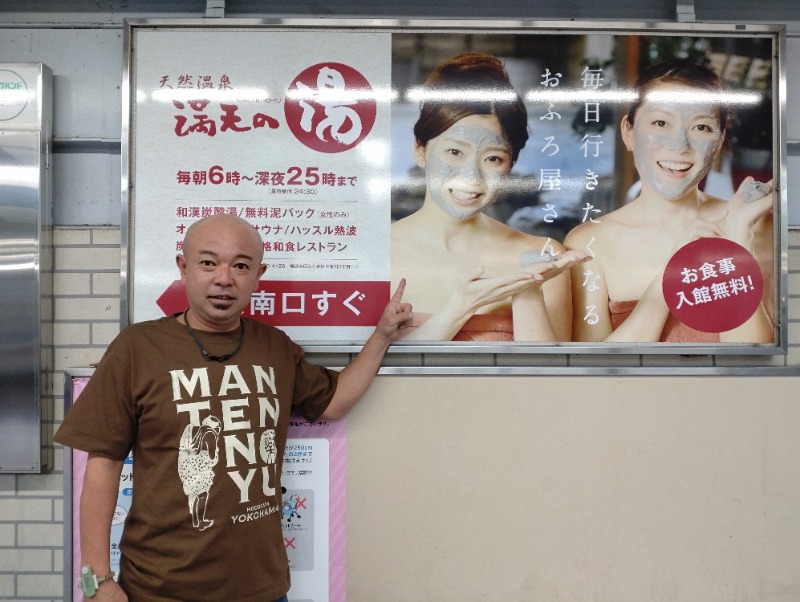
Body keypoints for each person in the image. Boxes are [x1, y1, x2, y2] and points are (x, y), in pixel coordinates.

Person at [55, 214, 413, 602]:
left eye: (240, 266)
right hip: (159, 588)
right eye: (208, 262)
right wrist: (97, 580)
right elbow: (102, 465)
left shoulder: (274, 346)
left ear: (257, 276)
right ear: (184, 267)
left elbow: (334, 401)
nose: (224, 278)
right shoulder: (138, 348)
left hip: (262, 589)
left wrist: (381, 337)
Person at [564, 59, 774, 343]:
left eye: (701, 128)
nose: (679, 146)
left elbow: (754, 362)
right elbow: (594, 373)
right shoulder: (589, 243)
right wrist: (671, 276)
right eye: (660, 122)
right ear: (629, 131)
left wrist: (736, 245)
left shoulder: (757, 227)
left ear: (720, 140)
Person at [391, 52, 588, 342]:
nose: (472, 178)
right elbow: (360, 377)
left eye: (493, 159)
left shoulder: (543, 257)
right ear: (420, 150)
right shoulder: (377, 255)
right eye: (455, 152)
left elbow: (550, 383)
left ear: (511, 164)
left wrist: (527, 290)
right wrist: (463, 304)